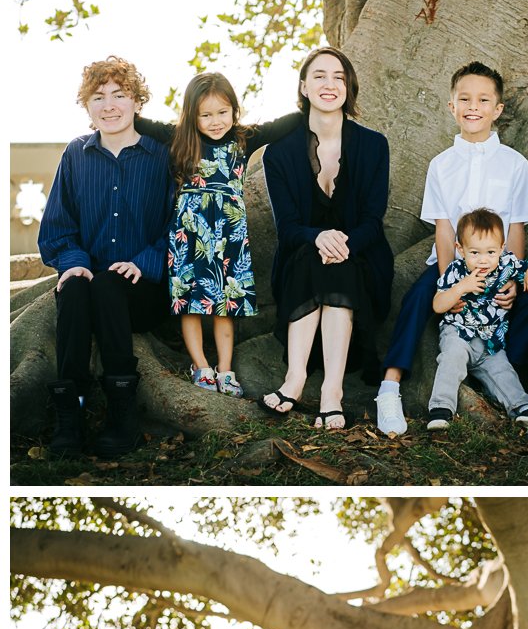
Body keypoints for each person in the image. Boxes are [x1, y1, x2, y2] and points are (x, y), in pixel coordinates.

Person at [375, 61, 528, 436]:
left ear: (497, 110)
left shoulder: (515, 164)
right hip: (455, 265)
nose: (474, 106)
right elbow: (442, 228)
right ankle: (390, 387)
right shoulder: (441, 165)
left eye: (484, 99)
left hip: (499, 265)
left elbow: (516, 226)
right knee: (417, 296)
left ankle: (507, 373)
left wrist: (513, 278)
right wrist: (445, 285)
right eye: (465, 99)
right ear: (452, 107)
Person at [38, 55, 176, 457]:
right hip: (90, 284)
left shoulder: (161, 158)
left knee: (111, 284)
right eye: (98, 97)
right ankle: (71, 415)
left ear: (137, 102)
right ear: (88, 107)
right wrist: (74, 261)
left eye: (120, 94)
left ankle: (122, 417)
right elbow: (57, 225)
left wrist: (145, 261)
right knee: (80, 289)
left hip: (142, 293)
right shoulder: (76, 155)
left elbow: (179, 228)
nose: (109, 105)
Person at [133, 74, 302, 397]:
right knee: (190, 302)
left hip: (229, 234)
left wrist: (308, 104)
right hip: (189, 234)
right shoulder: (179, 137)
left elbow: (284, 124)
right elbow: (142, 124)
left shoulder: (243, 138)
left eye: (222, 112)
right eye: (205, 115)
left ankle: (226, 369)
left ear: (234, 111)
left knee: (226, 303)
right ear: (192, 115)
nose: (215, 122)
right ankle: (201, 365)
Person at [259, 46, 394, 430]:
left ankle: (331, 391)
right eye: (319, 76)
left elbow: (372, 219)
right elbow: (287, 230)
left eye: (338, 77)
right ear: (304, 87)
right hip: (301, 266)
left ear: (349, 87)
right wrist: (318, 238)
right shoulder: (279, 154)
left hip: (362, 261)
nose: (329, 84)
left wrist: (343, 244)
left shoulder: (373, 146)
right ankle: (296, 378)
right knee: (310, 255)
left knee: (340, 262)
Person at [427, 208, 528, 429]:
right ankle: (441, 408)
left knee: (502, 371)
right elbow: (438, 304)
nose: (483, 260)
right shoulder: (456, 270)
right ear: (461, 249)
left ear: (502, 249)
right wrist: (460, 288)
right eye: (475, 253)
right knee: (451, 358)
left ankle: (522, 407)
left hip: (490, 343)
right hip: (459, 334)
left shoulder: (506, 266)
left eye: (490, 252)